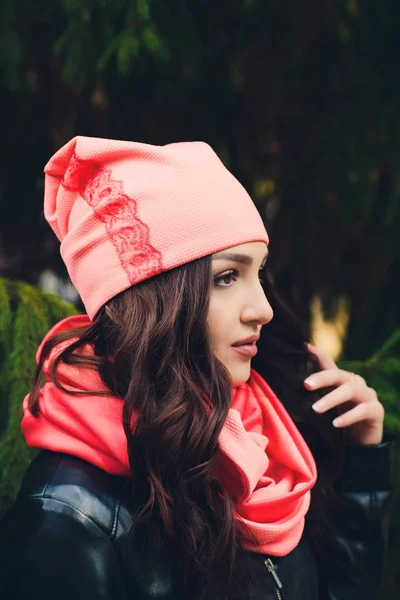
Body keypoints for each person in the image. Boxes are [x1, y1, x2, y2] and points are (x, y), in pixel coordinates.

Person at [0, 136, 393, 600]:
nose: (263, 309)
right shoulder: (71, 516)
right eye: (227, 277)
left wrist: (361, 466)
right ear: (152, 301)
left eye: (259, 273)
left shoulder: (265, 447)